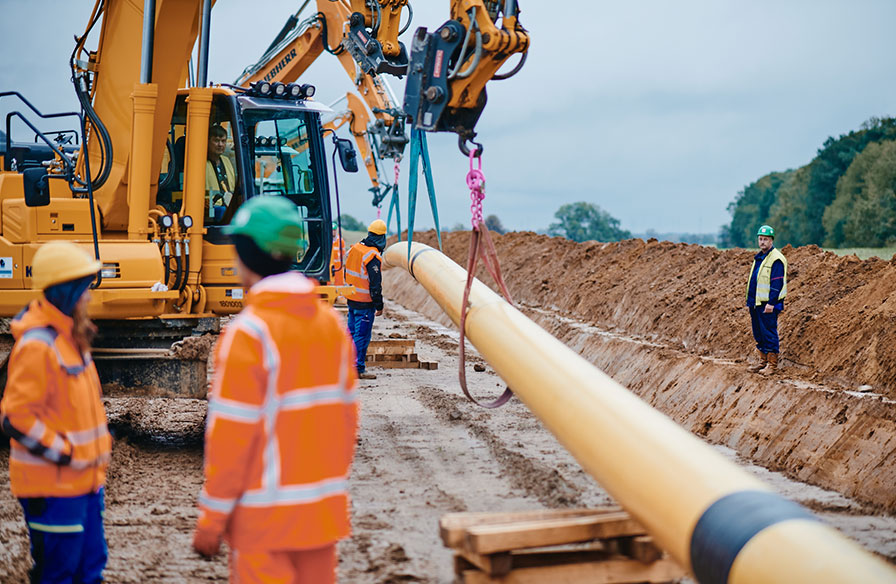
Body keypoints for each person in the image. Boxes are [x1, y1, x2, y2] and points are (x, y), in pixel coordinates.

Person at [193, 196, 358, 584]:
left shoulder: (249, 334)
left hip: (264, 524)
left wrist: (212, 519)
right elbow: (347, 422)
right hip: (321, 519)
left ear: (248, 254)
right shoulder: (331, 325)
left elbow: (231, 441)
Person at [0, 241, 111, 584]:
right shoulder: (38, 346)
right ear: (67, 292)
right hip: (54, 488)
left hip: (85, 485)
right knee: (59, 574)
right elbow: (15, 418)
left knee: (90, 568)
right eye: (83, 290)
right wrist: (65, 453)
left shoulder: (69, 340)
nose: (88, 298)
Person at [344, 219, 386, 378]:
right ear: (382, 238)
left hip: (352, 299)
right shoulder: (372, 256)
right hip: (364, 304)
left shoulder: (356, 248)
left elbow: (347, 271)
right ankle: (357, 368)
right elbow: (375, 285)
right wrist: (379, 305)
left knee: (352, 333)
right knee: (361, 336)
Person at [746, 224, 788, 374]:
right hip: (756, 303)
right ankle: (763, 361)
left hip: (767, 304)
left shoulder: (776, 259)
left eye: (766, 239)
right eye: (760, 239)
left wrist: (771, 303)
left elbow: (776, 283)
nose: (762, 242)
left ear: (771, 240)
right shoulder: (759, 258)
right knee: (759, 333)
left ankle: (772, 365)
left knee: (769, 332)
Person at [206, 124, 238, 223]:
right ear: (207, 141)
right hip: (209, 209)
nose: (220, 144)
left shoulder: (227, 161)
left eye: (223, 141)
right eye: (216, 140)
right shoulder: (200, 163)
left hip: (229, 206)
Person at [329, 221, 346, 286]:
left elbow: (343, 253)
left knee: (339, 284)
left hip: (338, 267)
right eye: (332, 230)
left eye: (334, 230)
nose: (333, 232)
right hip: (330, 266)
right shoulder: (327, 240)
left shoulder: (340, 241)